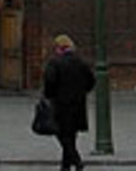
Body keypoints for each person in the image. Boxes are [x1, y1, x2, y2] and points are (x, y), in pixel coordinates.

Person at [43, 33, 95, 171]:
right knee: (71, 135)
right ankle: (65, 166)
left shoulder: (55, 63)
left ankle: (77, 161)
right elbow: (91, 81)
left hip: (61, 104)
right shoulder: (80, 62)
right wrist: (82, 91)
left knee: (62, 135)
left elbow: (50, 81)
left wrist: (49, 96)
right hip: (78, 104)